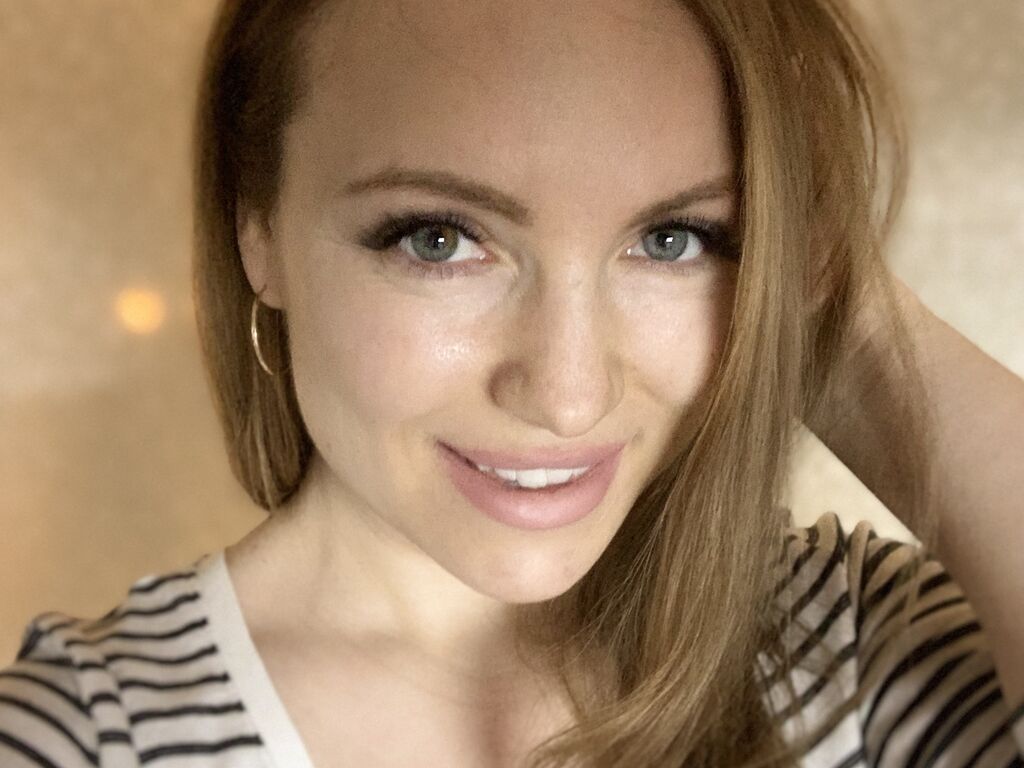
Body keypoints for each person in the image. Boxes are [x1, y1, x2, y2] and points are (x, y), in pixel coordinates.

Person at [1, 0, 1022, 765]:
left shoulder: (852, 646)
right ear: (256, 228)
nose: (568, 394)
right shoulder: (81, 738)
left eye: (676, 238)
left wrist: (823, 306)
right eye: (439, 239)